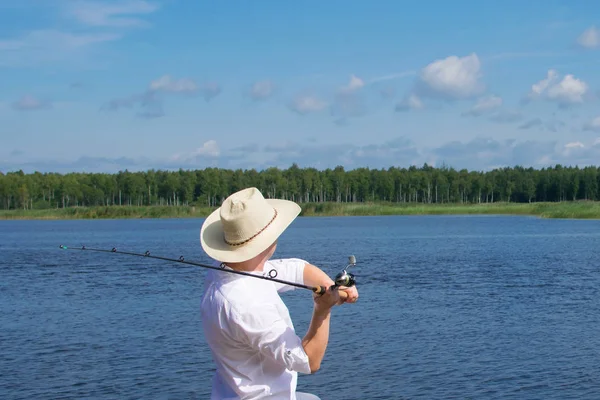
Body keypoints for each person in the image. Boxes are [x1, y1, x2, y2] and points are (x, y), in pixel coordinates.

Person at [199, 187, 359, 399]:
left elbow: (297, 269)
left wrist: (333, 287)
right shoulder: (247, 304)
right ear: (268, 239)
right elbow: (309, 361)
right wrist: (322, 310)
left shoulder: (227, 269)